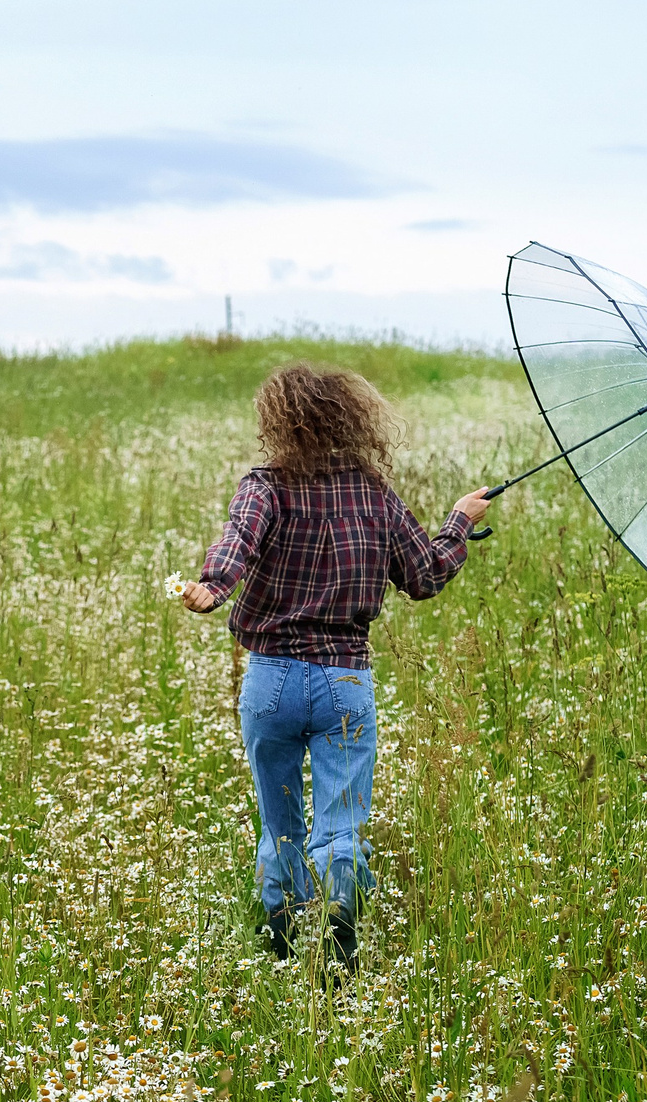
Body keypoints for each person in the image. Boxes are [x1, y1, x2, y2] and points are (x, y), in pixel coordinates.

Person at [180, 363, 492, 971]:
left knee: (280, 827)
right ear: (350, 419)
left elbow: (238, 541)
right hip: (346, 681)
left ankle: (278, 949)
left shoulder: (264, 486)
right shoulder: (373, 492)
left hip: (270, 679)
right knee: (339, 829)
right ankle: (338, 960)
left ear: (280, 422)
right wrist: (459, 522)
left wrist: (213, 587)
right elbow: (424, 576)